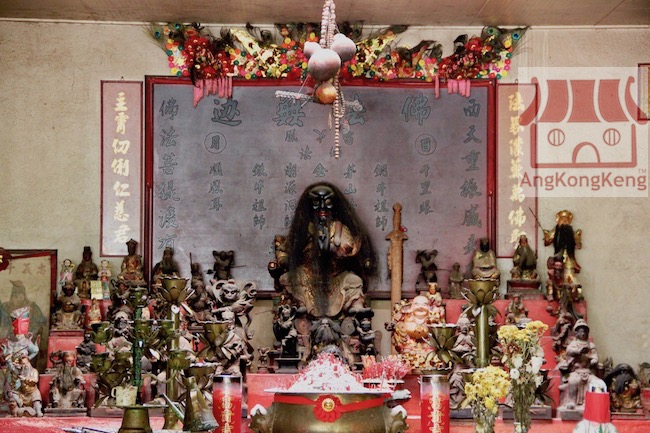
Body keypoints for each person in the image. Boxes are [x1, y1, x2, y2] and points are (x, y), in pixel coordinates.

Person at [275, 182, 378, 319]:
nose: (322, 207)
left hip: (335, 276)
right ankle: (299, 306)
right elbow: (284, 249)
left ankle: (356, 306)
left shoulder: (339, 228)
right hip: (307, 275)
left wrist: (334, 249)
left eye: (327, 202)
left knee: (354, 281)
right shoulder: (303, 229)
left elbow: (349, 247)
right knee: (287, 279)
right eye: (316, 203)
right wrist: (283, 260)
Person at [558, 319, 599, 411]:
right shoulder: (574, 344)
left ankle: (589, 402)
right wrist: (578, 351)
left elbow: (594, 355)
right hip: (576, 371)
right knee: (573, 381)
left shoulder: (591, 345)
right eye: (581, 331)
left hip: (588, 371)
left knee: (595, 382)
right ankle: (571, 401)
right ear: (576, 333)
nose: (583, 333)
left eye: (585, 331)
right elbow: (569, 351)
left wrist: (594, 360)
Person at [543, 210, 582, 285]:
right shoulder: (555, 230)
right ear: (558, 220)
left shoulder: (571, 232)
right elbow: (547, 243)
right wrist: (547, 238)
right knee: (557, 275)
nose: (564, 221)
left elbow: (578, 245)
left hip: (569, 256)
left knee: (570, 275)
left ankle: (571, 287)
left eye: (566, 220)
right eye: (562, 219)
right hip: (558, 256)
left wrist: (577, 238)